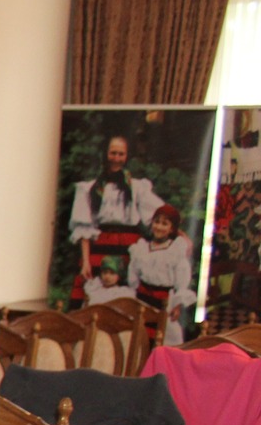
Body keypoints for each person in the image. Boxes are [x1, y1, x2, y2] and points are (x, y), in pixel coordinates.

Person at [69, 134, 165, 304]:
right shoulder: (90, 188)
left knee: (129, 289)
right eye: (113, 153)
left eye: (121, 154)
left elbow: (160, 215)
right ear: (106, 154)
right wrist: (86, 261)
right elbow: (84, 227)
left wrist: (180, 234)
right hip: (101, 244)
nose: (116, 158)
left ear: (126, 156)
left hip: (129, 246)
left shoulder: (136, 187)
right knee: (94, 286)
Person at [130, 203, 198, 341]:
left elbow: (182, 280)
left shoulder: (175, 251)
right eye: (157, 222)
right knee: (139, 336)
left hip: (163, 302)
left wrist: (177, 305)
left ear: (171, 228)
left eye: (164, 224)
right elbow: (133, 274)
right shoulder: (141, 248)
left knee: (164, 336)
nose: (159, 227)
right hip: (142, 300)